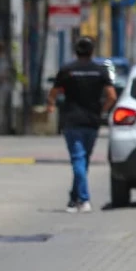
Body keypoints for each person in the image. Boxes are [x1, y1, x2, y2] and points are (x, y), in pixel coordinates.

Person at [47, 37, 117, 213]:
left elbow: (53, 94)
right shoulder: (100, 70)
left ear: (75, 51)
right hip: (92, 122)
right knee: (82, 160)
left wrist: (50, 105)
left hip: (72, 121)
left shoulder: (67, 70)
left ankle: (83, 199)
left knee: (79, 160)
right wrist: (102, 110)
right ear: (92, 51)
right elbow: (112, 96)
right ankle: (74, 198)